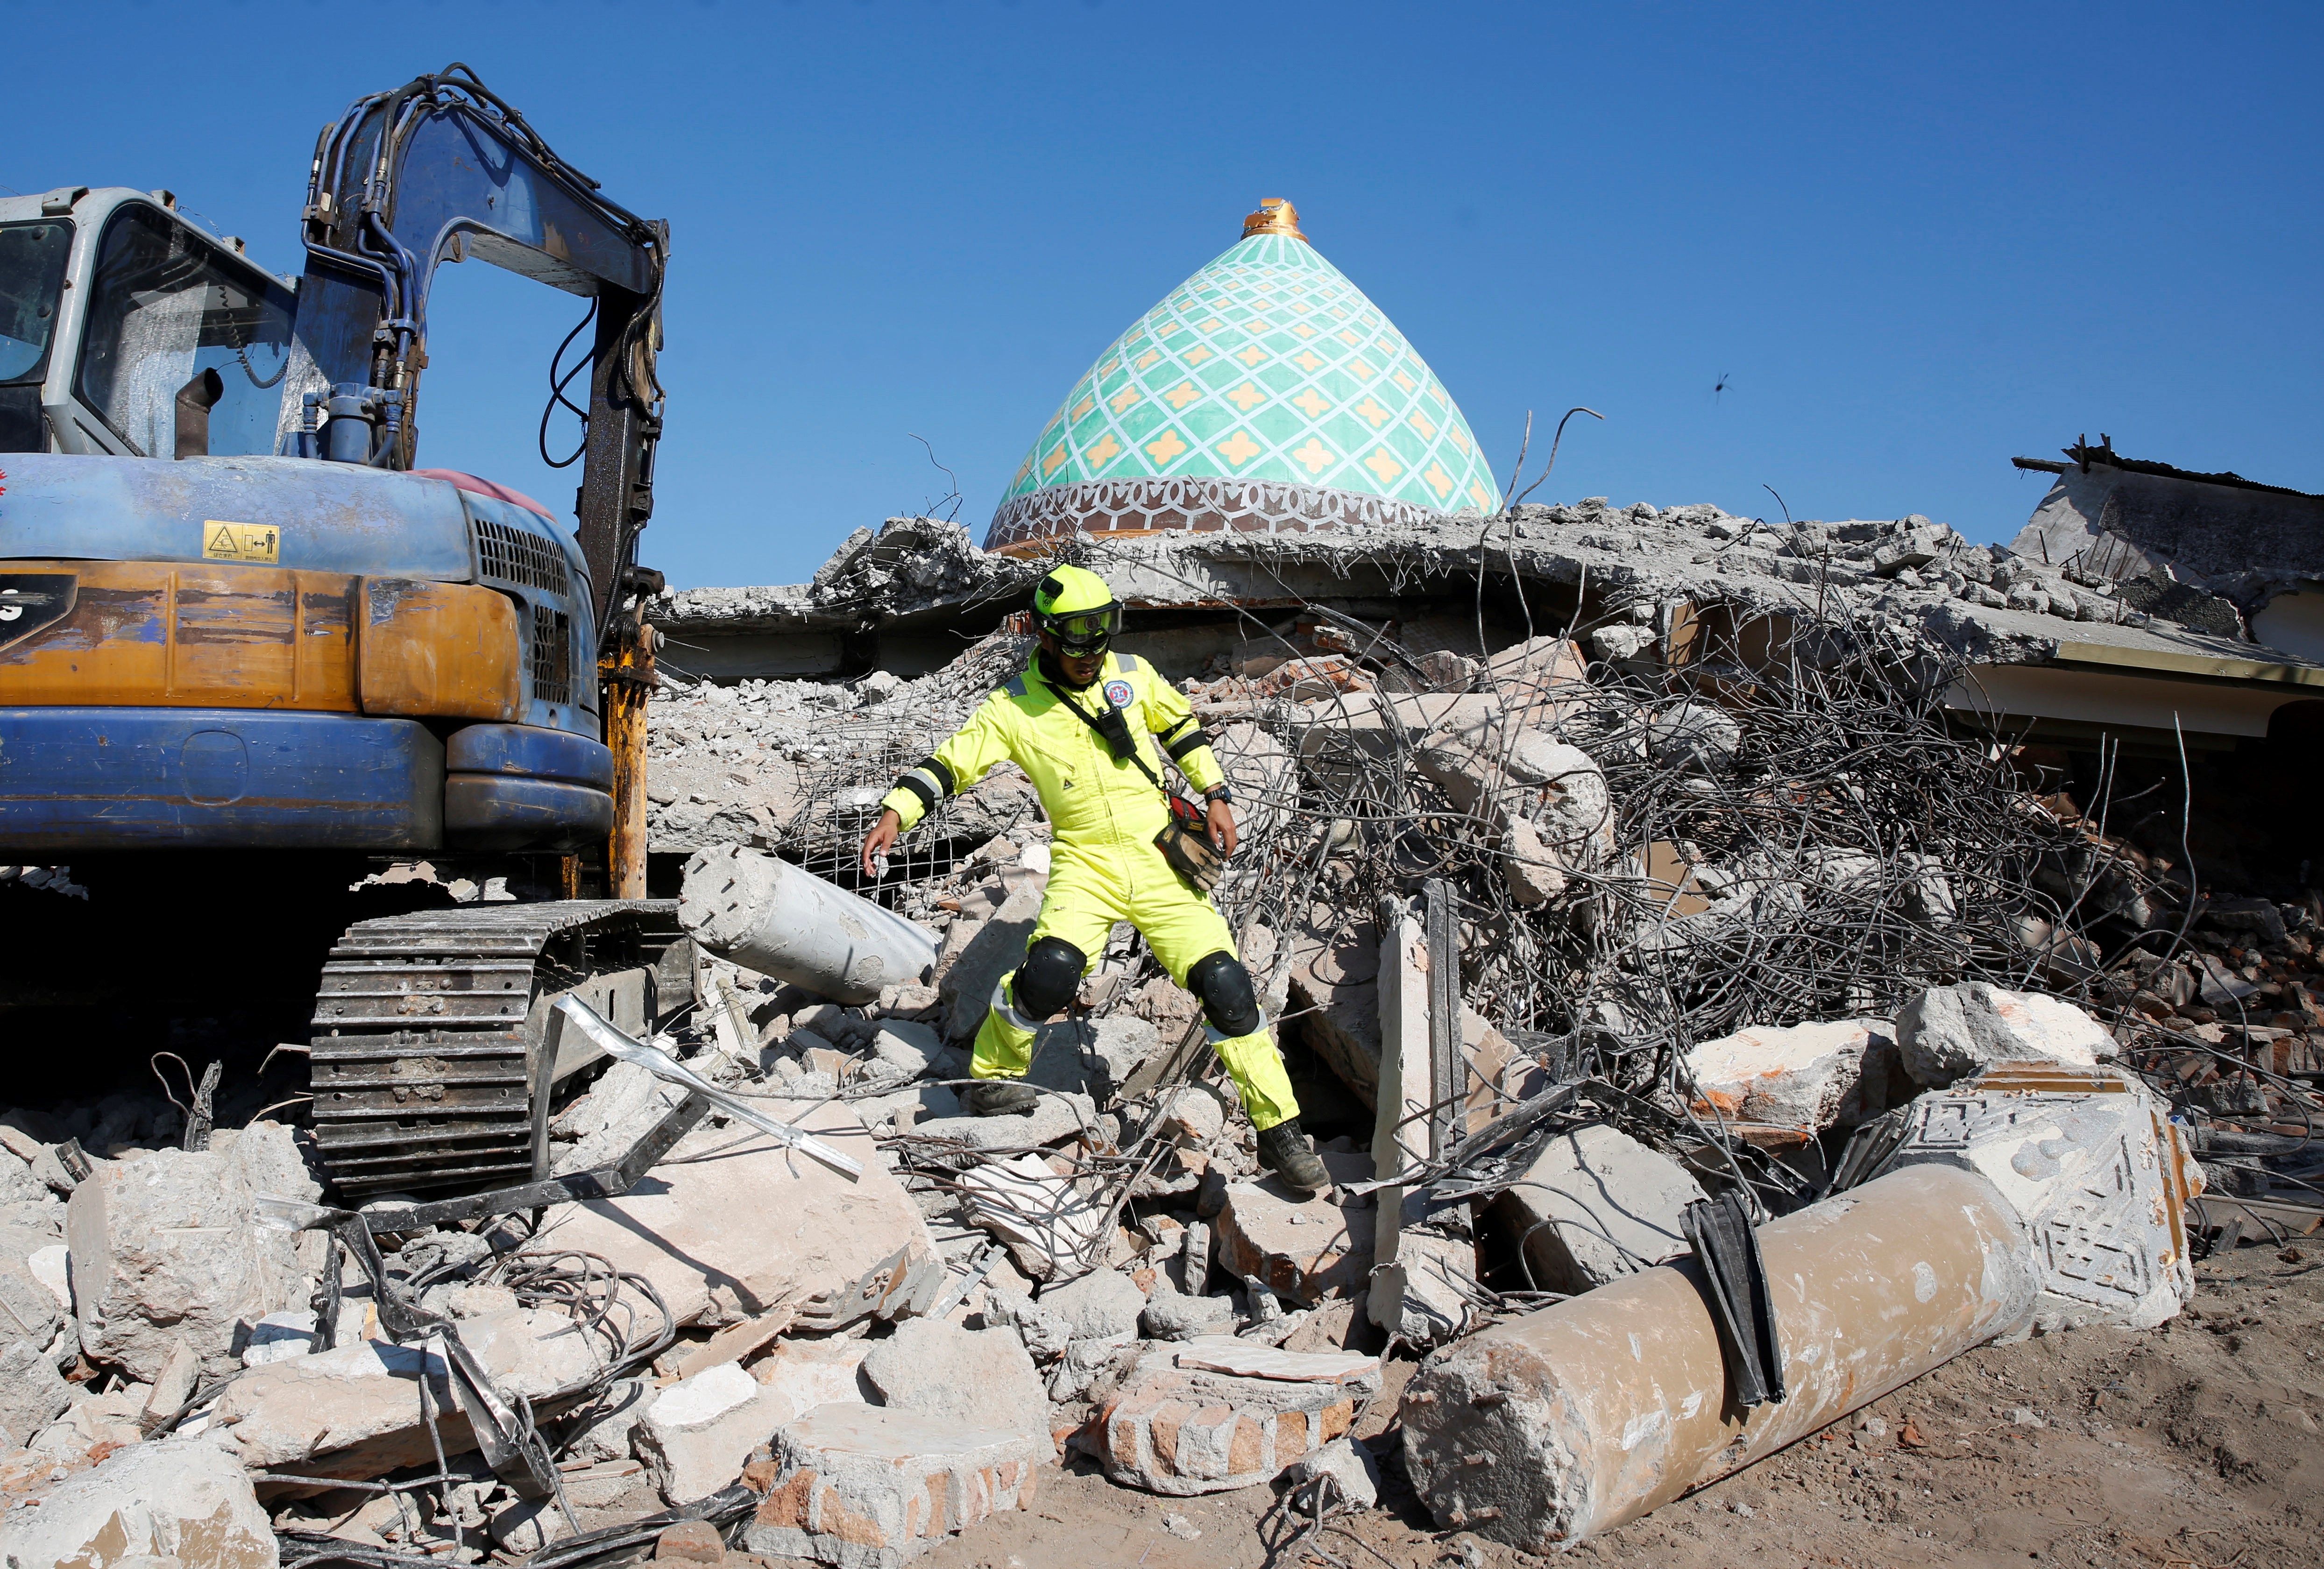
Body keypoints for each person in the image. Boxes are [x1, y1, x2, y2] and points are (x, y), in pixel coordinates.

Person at [859, 564, 1331, 1193]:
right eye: (1076, 639)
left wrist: (1214, 790)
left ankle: (1282, 1132)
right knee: (1049, 973)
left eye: (1102, 634)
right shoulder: (1013, 708)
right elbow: (953, 763)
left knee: (1225, 983)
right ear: (1044, 635)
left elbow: (1180, 725)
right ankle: (994, 1078)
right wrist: (898, 810)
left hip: (1159, 862)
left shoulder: (1131, 676)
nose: (1091, 653)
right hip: (1085, 863)